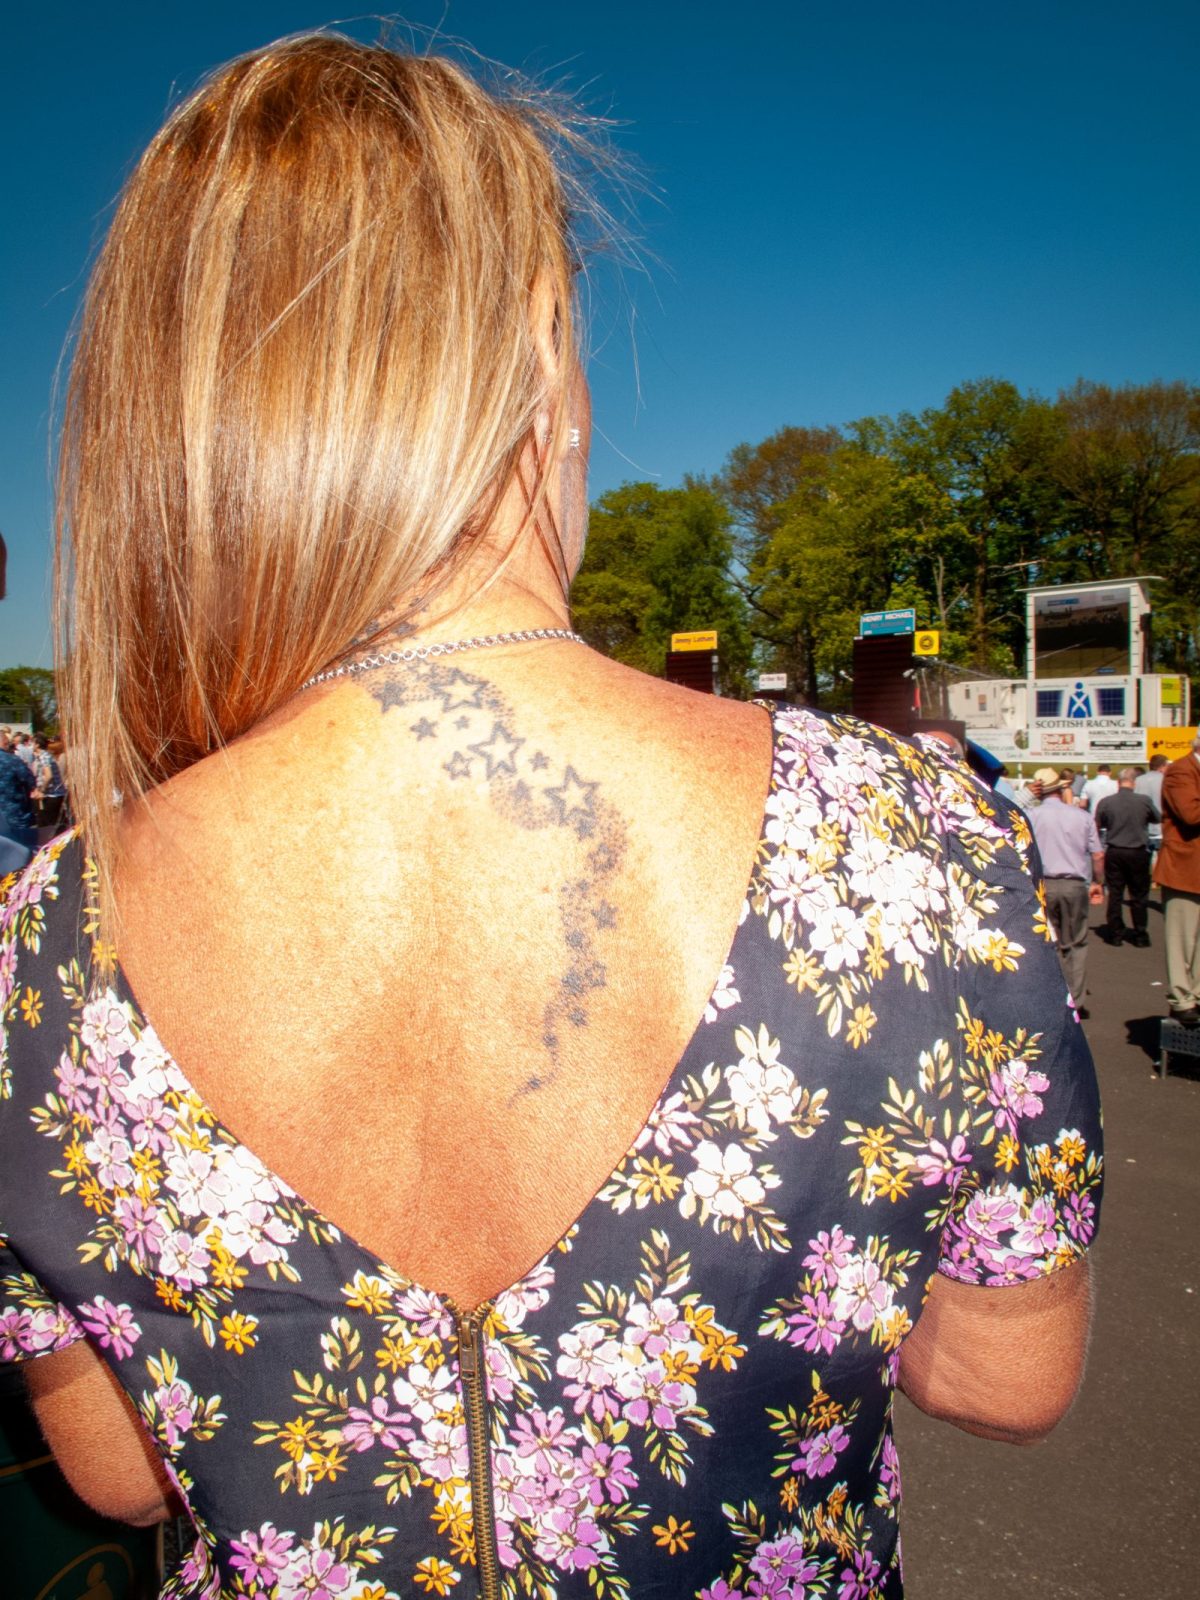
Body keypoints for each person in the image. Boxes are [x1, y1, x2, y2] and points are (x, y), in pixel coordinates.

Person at [0, 35, 1101, 1600]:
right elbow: (1007, 1372)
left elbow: (120, 1468)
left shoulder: (46, 943)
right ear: (533, 358)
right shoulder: (902, 840)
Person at [1028, 766, 1104, 1016]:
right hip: (1073, 883)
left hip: (1043, 885)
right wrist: (1097, 882)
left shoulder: (1031, 816)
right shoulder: (1081, 816)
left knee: (1048, 941)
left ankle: (1051, 994)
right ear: (1062, 789)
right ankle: (1076, 998)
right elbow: (1097, 854)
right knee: (1076, 943)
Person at [1154, 735, 1200, 1027]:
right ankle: (1182, 1000)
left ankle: (1194, 994)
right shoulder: (1181, 770)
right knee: (1181, 939)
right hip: (1184, 869)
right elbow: (1191, 813)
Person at [1095, 767, 1158, 946]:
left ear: (1118, 782)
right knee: (1139, 894)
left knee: (1115, 893)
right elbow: (1156, 818)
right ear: (1134, 782)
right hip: (1137, 851)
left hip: (1115, 850)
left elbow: (1100, 823)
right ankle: (1140, 932)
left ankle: (1116, 933)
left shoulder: (1107, 802)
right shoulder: (1143, 801)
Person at [0, 729, 37, 853]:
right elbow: (30, 781)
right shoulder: (12, 760)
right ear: (4, 742)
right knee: (22, 852)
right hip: (15, 815)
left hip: (9, 816)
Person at [1136, 753, 1168, 855]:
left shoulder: (1138, 780)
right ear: (1162, 766)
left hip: (1142, 828)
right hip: (1161, 827)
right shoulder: (1166, 780)